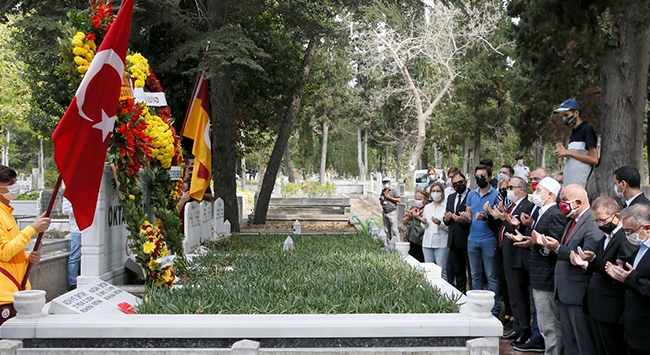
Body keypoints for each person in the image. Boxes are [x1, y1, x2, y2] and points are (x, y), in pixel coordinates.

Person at [534, 183, 599, 355]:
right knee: (570, 341)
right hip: (564, 292)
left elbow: (585, 256)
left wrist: (557, 248)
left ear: (578, 202)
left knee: (582, 342)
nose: (560, 204)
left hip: (578, 293)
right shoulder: (572, 221)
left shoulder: (591, 222)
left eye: (564, 200)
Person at [507, 176, 566, 355]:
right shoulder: (542, 212)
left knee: (550, 324)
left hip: (546, 277)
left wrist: (538, 243)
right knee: (544, 322)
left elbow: (553, 247)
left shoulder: (554, 214)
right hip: (538, 276)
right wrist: (528, 241)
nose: (535, 193)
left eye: (538, 190)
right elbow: (540, 240)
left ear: (550, 194)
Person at [570, 196, 635, 355]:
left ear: (617, 216)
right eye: (597, 221)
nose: (600, 224)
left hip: (611, 310)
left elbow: (618, 270)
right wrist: (586, 262)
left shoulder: (625, 239)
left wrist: (593, 261)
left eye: (603, 220)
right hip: (597, 307)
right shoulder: (605, 237)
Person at [0, 165, 51, 325]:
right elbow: (4, 252)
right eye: (10, 184)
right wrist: (32, 229)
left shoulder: (7, 213)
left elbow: (12, 252)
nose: (16, 187)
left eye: (16, 181)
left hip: (17, 291)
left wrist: (27, 258)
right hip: (4, 296)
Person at [487, 176, 534, 345]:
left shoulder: (526, 206)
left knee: (519, 294)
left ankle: (524, 328)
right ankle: (517, 326)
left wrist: (504, 218)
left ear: (521, 190)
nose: (508, 191)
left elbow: (522, 228)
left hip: (518, 256)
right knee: (512, 293)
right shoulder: (512, 205)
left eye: (511, 187)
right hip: (507, 253)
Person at [606, 204, 650, 355]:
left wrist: (630, 278)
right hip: (633, 328)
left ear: (647, 228)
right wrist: (621, 273)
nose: (627, 235)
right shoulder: (640, 248)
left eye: (630, 231)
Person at [465, 164, 500, 316]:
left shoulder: (496, 195)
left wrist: (487, 216)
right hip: (472, 238)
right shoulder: (471, 194)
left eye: (483, 176)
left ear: (490, 177)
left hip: (488, 239)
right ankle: (477, 306)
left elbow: (499, 217)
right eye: (477, 176)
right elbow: (468, 215)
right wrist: (464, 217)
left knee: (491, 275)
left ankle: (494, 308)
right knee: (475, 275)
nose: (480, 179)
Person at [553, 98, 599, 188]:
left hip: (579, 184)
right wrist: (565, 152)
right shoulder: (574, 132)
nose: (564, 119)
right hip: (569, 182)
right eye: (563, 116)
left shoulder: (587, 129)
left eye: (566, 115)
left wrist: (569, 152)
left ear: (576, 113)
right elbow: (578, 156)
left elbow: (594, 159)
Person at [443, 172, 471, 293]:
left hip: (468, 239)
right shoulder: (451, 197)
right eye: (455, 184)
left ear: (465, 181)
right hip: (454, 240)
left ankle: (473, 295)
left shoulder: (471, 195)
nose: (458, 185)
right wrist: (446, 218)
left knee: (472, 272)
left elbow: (472, 218)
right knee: (458, 272)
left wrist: (463, 220)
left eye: (460, 182)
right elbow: (447, 218)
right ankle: (461, 294)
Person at [422, 182, 449, 278]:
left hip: (441, 243)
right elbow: (424, 226)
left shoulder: (446, 206)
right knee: (428, 270)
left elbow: (449, 227)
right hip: (427, 242)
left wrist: (439, 223)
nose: (435, 193)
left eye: (438, 191)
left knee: (441, 270)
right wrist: (424, 222)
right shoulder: (427, 207)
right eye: (433, 191)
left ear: (442, 192)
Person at [402, 189, 428, 262]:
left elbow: (427, 222)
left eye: (419, 199)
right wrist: (409, 217)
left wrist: (417, 217)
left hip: (422, 240)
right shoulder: (412, 209)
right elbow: (404, 221)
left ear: (426, 200)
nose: (417, 201)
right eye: (416, 199)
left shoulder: (428, 209)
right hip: (411, 238)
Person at [62, 197, 81, 290]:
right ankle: (73, 283)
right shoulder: (69, 193)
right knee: (75, 257)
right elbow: (65, 210)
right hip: (76, 230)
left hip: (89, 229)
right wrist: (80, 208)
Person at [379, 177, 401, 245]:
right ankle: (389, 243)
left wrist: (389, 198)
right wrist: (382, 200)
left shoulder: (393, 191)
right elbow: (381, 203)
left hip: (392, 212)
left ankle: (398, 244)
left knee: (394, 229)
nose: (386, 183)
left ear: (389, 182)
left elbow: (399, 200)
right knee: (386, 229)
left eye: (387, 182)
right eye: (384, 182)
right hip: (385, 211)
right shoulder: (383, 192)